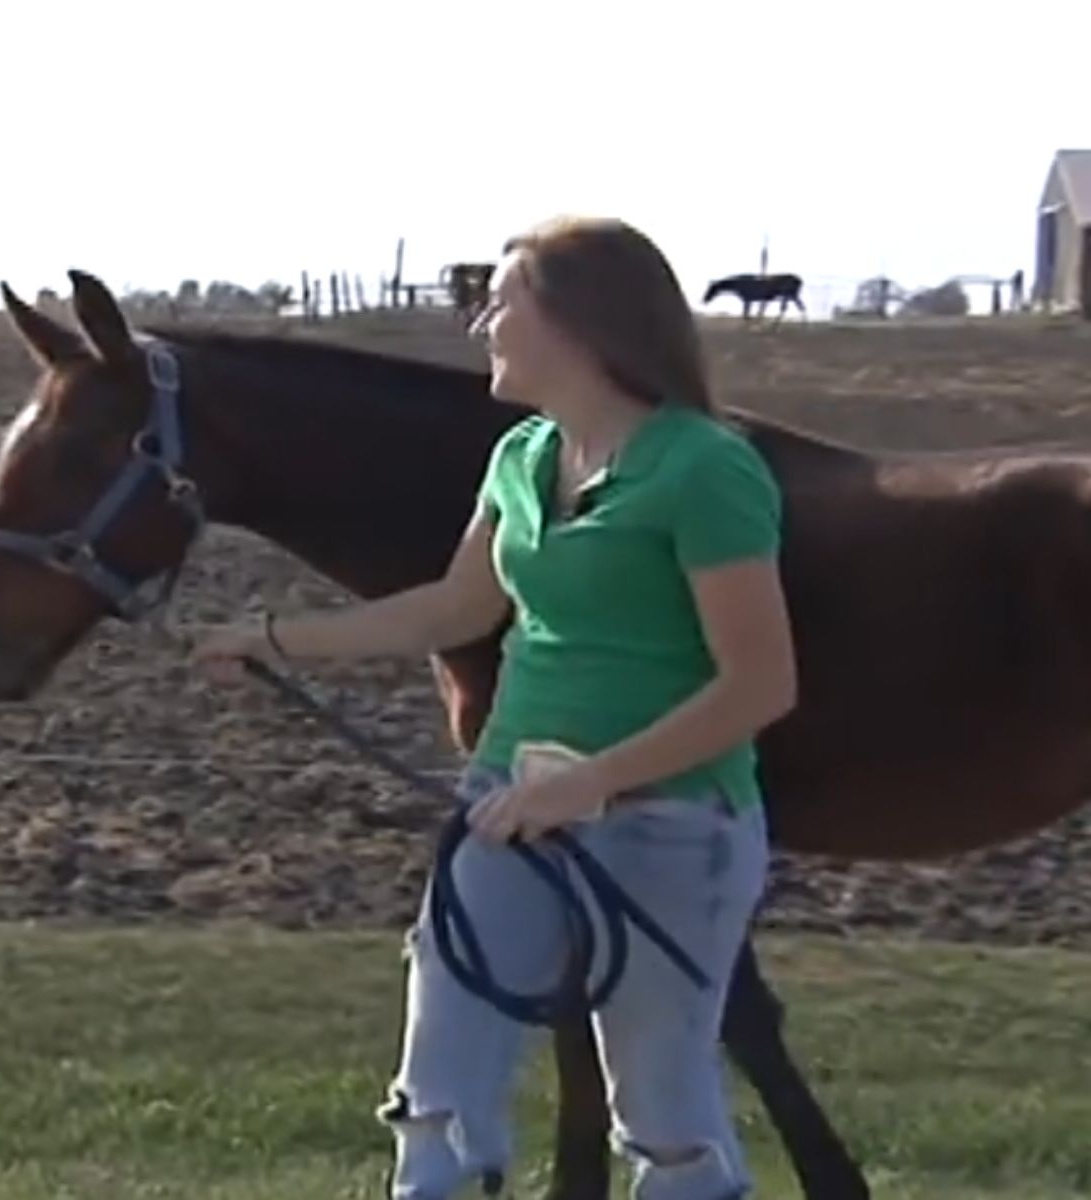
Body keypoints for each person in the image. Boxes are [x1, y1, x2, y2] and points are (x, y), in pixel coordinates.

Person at [192, 215, 797, 1200]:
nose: (481, 324)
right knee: (441, 1084)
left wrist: (591, 784)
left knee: (665, 1115)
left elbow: (761, 684)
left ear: (578, 321)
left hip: (674, 824)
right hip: (508, 805)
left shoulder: (704, 469)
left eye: (503, 302)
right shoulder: (522, 454)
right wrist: (271, 639)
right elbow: (458, 606)